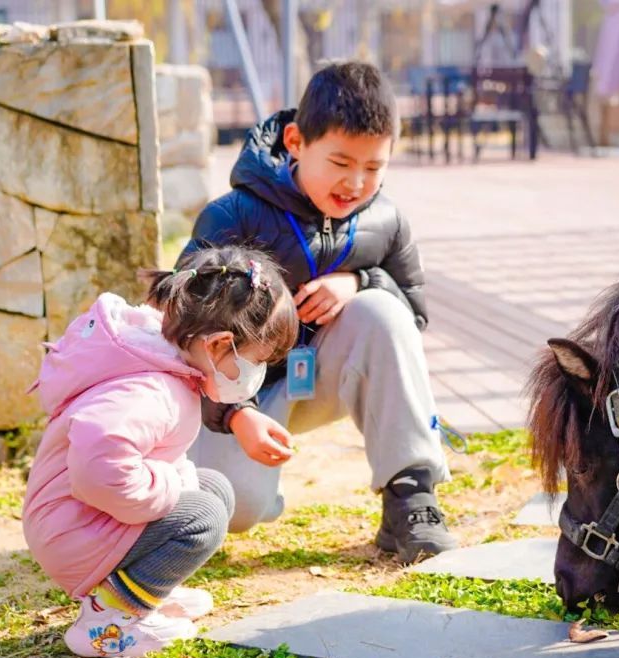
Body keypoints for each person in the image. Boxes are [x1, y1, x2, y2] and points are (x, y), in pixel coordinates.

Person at [183, 61, 458, 562]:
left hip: (323, 378)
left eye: (374, 167)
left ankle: (410, 496)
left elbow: (412, 319)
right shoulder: (232, 215)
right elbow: (185, 334)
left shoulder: (386, 220)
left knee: (382, 312)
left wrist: (360, 281)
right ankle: (239, 484)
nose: (356, 182)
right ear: (295, 141)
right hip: (244, 394)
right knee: (234, 509)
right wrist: (234, 412)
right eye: (340, 161)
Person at [23, 246, 297, 658]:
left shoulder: (165, 361)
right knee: (201, 518)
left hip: (86, 521)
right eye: (258, 361)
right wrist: (171, 483)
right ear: (219, 344)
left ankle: (142, 593)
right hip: (74, 531)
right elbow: (98, 472)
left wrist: (176, 481)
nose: (258, 374)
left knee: (214, 489)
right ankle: (108, 620)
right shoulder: (151, 389)